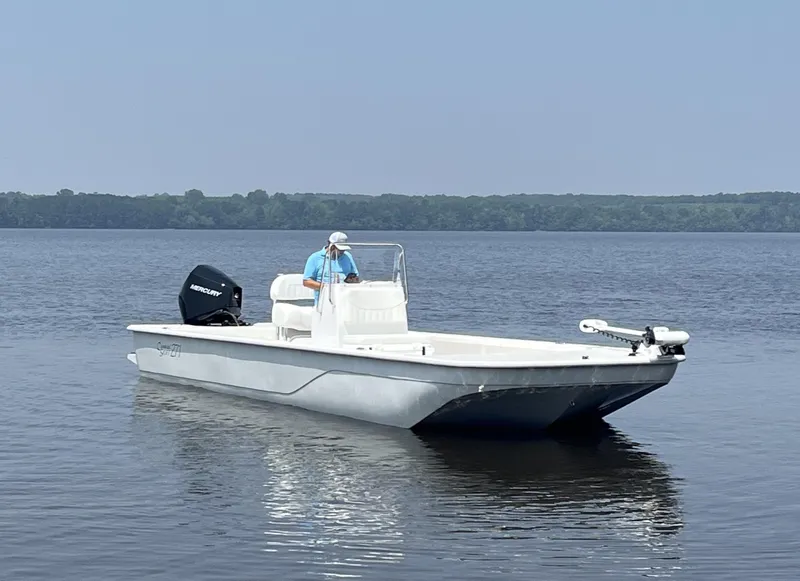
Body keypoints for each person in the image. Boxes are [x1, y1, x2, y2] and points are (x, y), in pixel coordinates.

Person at [303, 231, 360, 304]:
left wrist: (352, 281)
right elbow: (306, 282)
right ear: (330, 245)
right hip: (324, 302)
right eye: (339, 249)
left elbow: (355, 275)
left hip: (346, 300)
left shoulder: (348, 256)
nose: (342, 251)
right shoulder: (315, 258)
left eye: (343, 249)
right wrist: (327, 288)